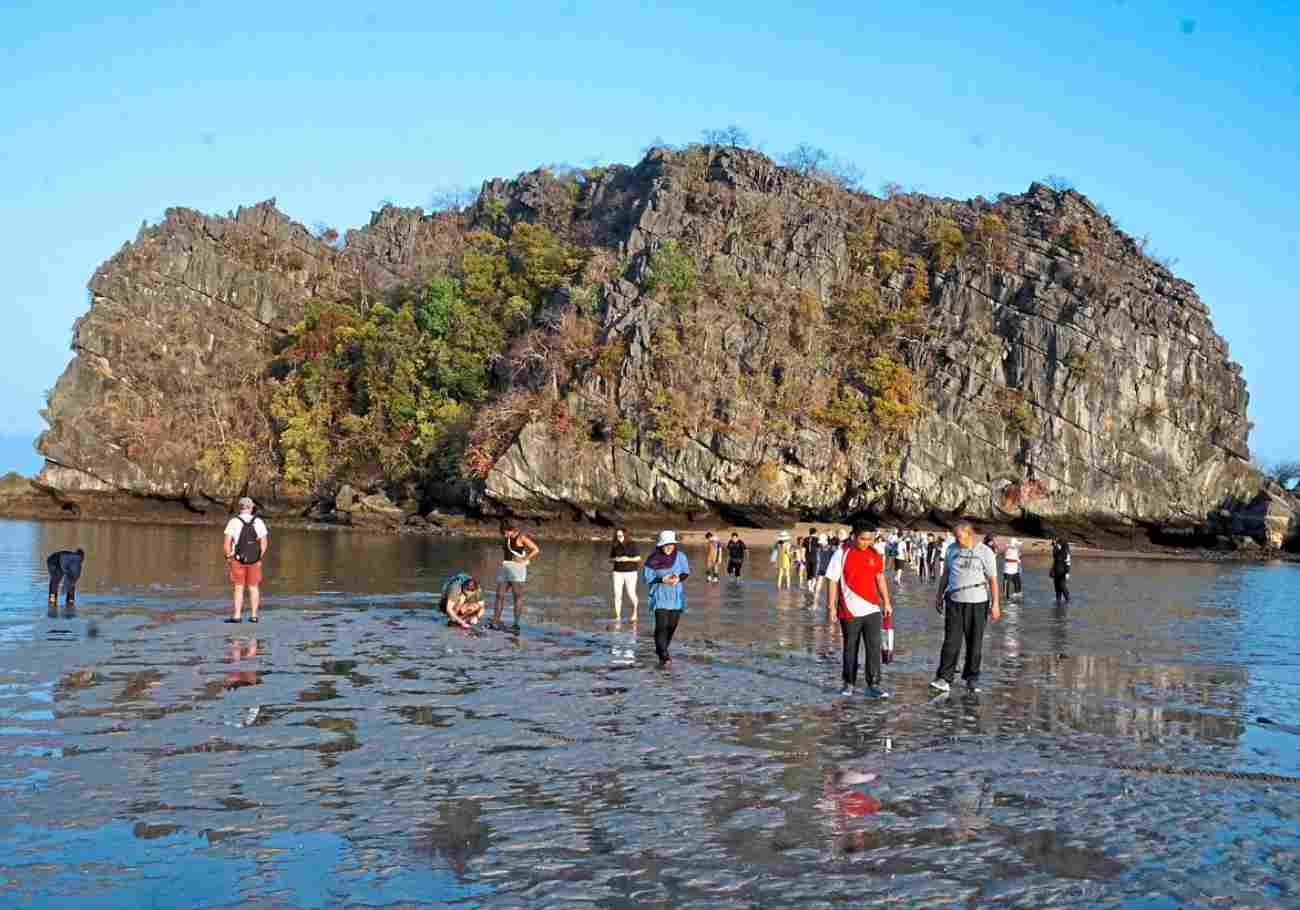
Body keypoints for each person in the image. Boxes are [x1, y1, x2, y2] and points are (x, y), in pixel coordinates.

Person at [931, 521, 1000, 694]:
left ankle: (972, 678)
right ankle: (944, 678)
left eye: (959, 536)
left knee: (974, 643)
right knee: (951, 641)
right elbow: (946, 574)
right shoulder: (952, 549)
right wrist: (939, 595)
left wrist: (996, 604)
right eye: (955, 536)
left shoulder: (985, 552)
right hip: (954, 602)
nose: (956, 539)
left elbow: (992, 579)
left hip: (978, 603)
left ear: (970, 534)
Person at [826, 524, 893, 698]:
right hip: (849, 610)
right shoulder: (841, 553)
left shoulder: (875, 554)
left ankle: (874, 684)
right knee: (850, 647)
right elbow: (832, 580)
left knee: (874, 647)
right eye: (863, 538)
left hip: (872, 609)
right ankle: (848, 683)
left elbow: (880, 578)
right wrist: (831, 606)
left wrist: (886, 602)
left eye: (870, 539)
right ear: (853, 536)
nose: (866, 542)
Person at [643, 530, 690, 665]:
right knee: (662, 626)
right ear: (660, 546)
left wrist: (677, 578)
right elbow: (647, 578)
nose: (669, 547)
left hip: (676, 597)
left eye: (671, 544)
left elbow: (686, 573)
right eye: (666, 545)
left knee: (672, 626)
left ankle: (661, 649)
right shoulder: (653, 558)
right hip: (660, 596)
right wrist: (662, 579)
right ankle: (664, 656)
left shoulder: (680, 556)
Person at [223, 497, 268, 623]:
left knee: (238, 587)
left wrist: (228, 558)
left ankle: (237, 616)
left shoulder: (233, 521)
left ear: (240, 507)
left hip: (237, 560)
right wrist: (258, 558)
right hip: (254, 560)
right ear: (252, 507)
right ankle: (254, 616)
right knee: (254, 587)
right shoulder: (258, 521)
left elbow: (227, 544)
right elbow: (264, 543)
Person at [491, 521, 540, 630]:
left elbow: (536, 549)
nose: (504, 535)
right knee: (499, 595)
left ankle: (516, 623)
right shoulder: (506, 538)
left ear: (511, 530)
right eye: (502, 533)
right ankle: (495, 621)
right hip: (505, 566)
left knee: (517, 596)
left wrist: (524, 559)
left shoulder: (521, 537)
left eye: (505, 532)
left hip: (517, 568)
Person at [609, 528, 640, 620]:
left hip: (631, 572)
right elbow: (610, 559)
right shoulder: (615, 545)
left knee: (631, 593)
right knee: (617, 594)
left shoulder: (632, 544)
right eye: (617, 536)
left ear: (625, 535)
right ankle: (618, 616)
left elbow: (638, 558)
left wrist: (627, 559)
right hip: (617, 572)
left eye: (620, 536)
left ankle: (635, 612)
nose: (619, 537)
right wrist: (616, 559)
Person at [1051, 535, 1072, 603]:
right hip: (1056, 571)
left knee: (1062, 586)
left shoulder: (1066, 552)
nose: (1057, 545)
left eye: (1058, 544)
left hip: (1063, 572)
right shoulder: (1057, 551)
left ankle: (1068, 600)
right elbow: (1055, 559)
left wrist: (1067, 572)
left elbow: (1068, 563)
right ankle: (1058, 601)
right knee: (1057, 588)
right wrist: (1052, 571)